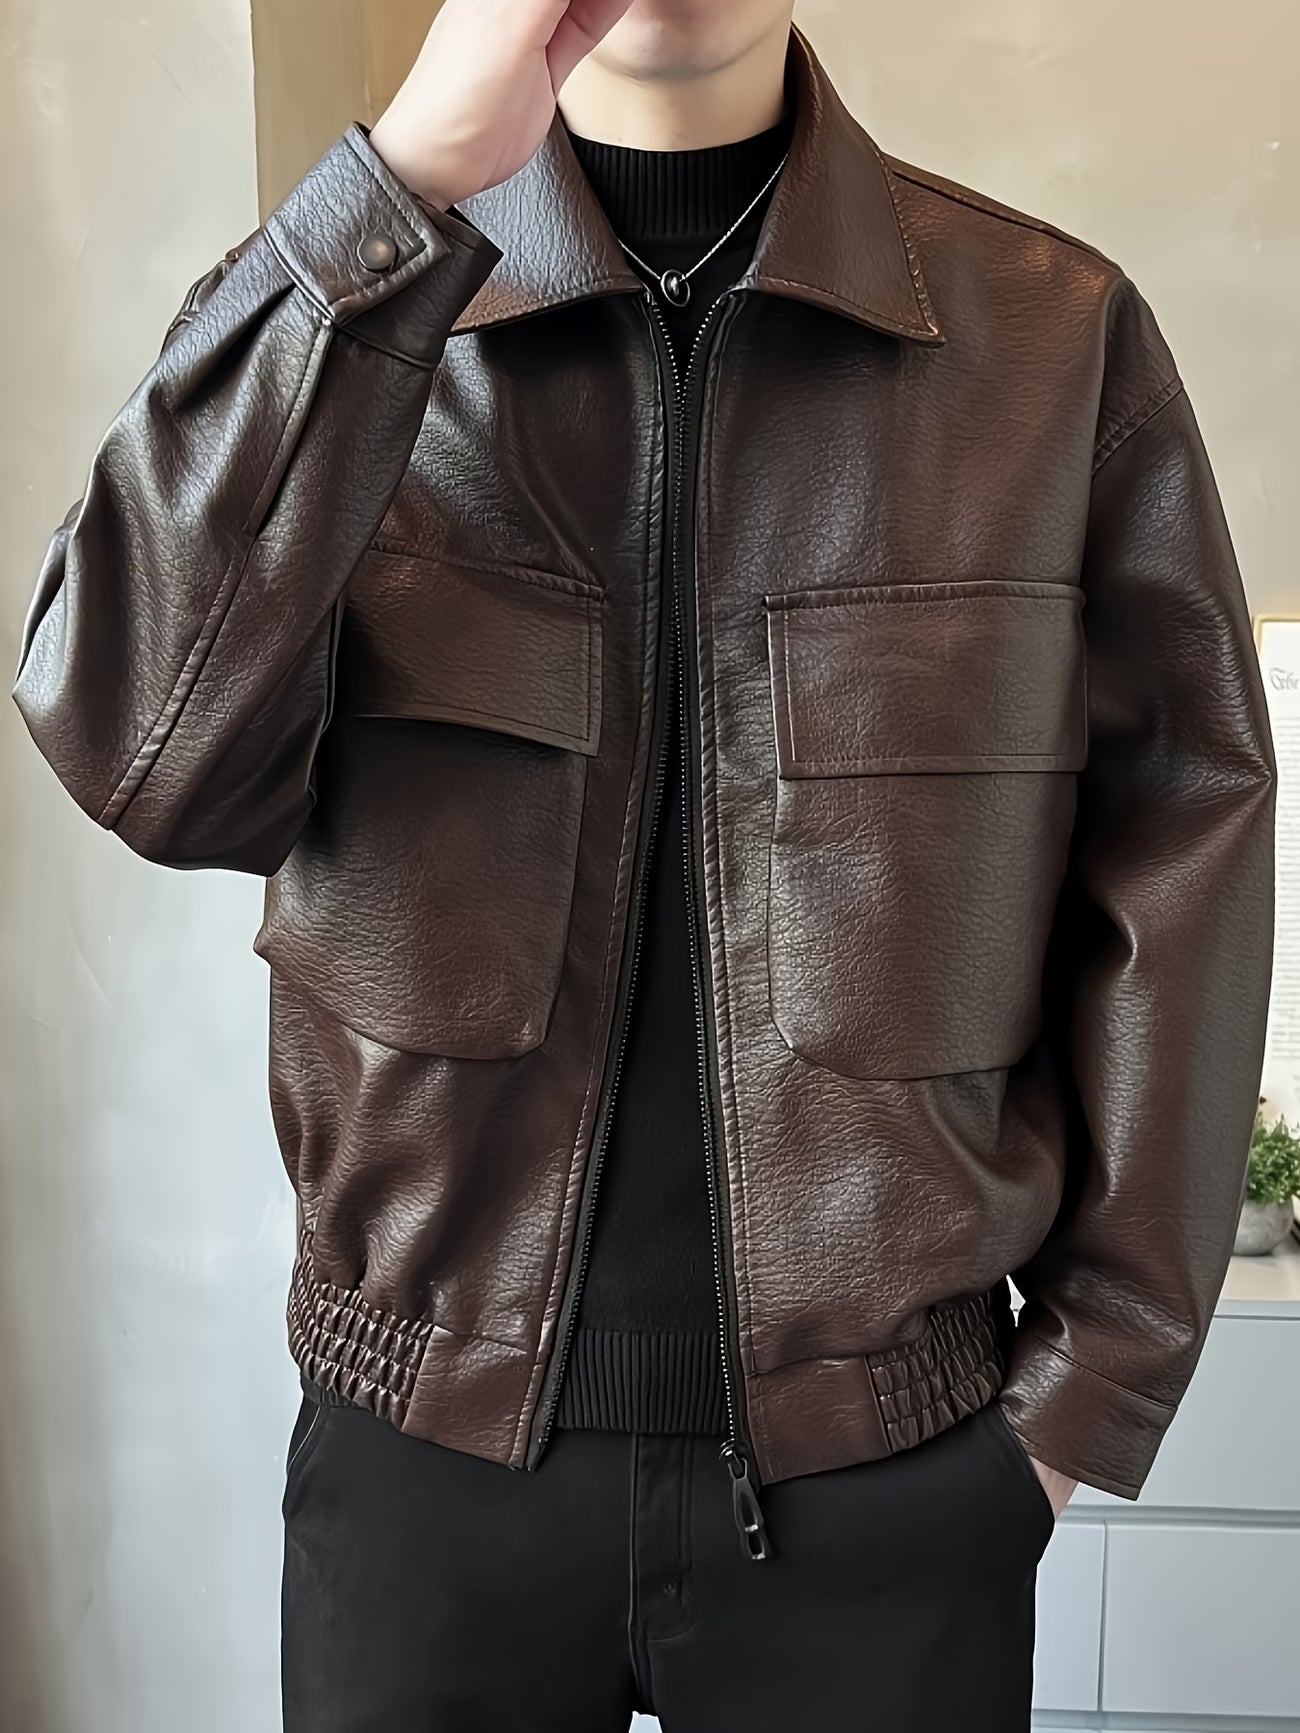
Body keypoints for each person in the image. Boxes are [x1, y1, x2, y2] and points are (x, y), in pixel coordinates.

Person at [11, 0, 1276, 1727]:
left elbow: (1188, 848)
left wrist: (1075, 1404)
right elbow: (133, 750)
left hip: (893, 1489)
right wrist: (398, 195)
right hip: (425, 1479)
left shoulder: (1053, 345)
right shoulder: (345, 313)